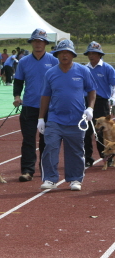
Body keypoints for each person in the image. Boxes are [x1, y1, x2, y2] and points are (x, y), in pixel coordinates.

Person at [38, 39, 96, 191]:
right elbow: (45, 96)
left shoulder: (83, 71)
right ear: (57, 54)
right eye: (61, 52)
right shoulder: (50, 73)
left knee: (76, 151)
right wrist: (40, 118)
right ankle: (50, 179)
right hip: (55, 119)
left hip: (77, 120)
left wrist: (90, 108)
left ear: (72, 54)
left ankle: (75, 179)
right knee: (50, 147)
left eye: (67, 52)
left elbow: (92, 91)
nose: (64, 55)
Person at [13, 28, 59, 182]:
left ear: (45, 43)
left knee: (46, 140)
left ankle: (45, 170)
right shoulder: (24, 62)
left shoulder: (54, 61)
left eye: (41, 41)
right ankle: (27, 170)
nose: (38, 44)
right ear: (32, 43)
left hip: (49, 108)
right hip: (29, 106)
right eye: (35, 41)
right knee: (28, 139)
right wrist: (17, 96)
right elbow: (18, 81)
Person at [82, 41, 115, 167]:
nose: (91, 56)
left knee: (104, 132)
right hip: (87, 102)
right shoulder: (84, 69)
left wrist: (113, 98)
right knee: (87, 131)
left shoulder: (107, 68)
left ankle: (106, 157)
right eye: (89, 53)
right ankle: (87, 158)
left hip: (102, 102)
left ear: (100, 54)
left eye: (94, 53)